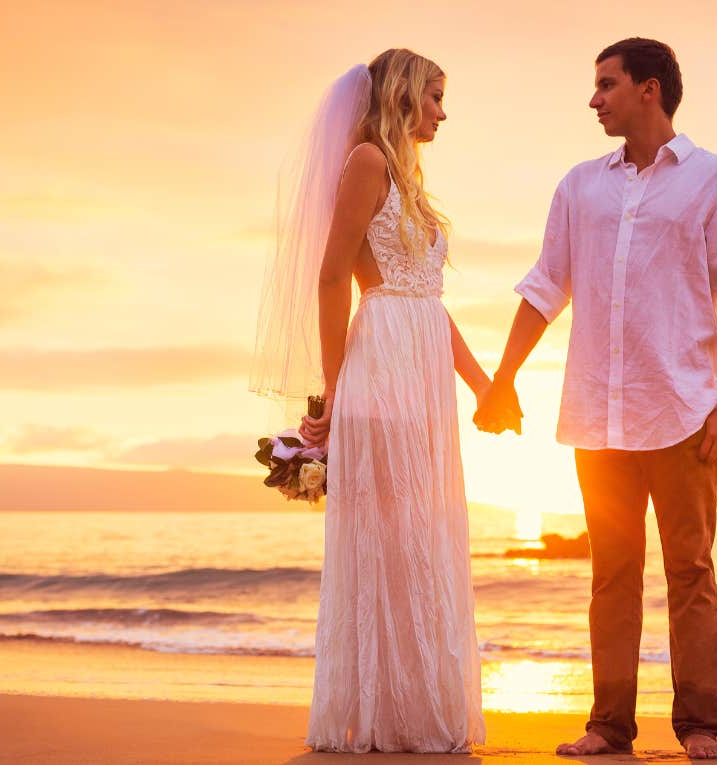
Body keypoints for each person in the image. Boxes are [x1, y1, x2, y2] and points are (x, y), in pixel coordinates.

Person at [475, 38, 717, 760]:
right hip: (597, 417)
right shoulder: (580, 186)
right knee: (610, 576)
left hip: (683, 415)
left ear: (649, 89)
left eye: (606, 84)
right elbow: (545, 288)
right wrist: (502, 377)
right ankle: (609, 725)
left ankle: (700, 726)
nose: (594, 98)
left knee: (690, 572)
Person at [251, 48, 489, 753]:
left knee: (423, 535)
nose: (444, 112)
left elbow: (431, 304)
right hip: (382, 365)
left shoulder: (409, 181)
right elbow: (332, 280)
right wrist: (331, 391)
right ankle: (383, 714)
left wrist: (486, 389)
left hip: (424, 372)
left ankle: (413, 710)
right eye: (436, 96)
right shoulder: (365, 163)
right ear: (405, 95)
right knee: (390, 542)